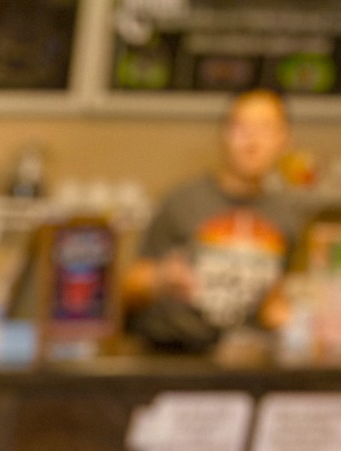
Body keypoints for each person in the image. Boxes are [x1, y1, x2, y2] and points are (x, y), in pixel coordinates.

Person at [124, 89, 304, 348]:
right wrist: (160, 279)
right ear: (224, 134)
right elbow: (126, 288)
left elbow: (282, 295)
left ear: (284, 139)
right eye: (242, 128)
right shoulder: (182, 202)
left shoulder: (287, 215)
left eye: (265, 129)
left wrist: (283, 314)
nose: (252, 142)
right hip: (171, 353)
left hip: (247, 360)